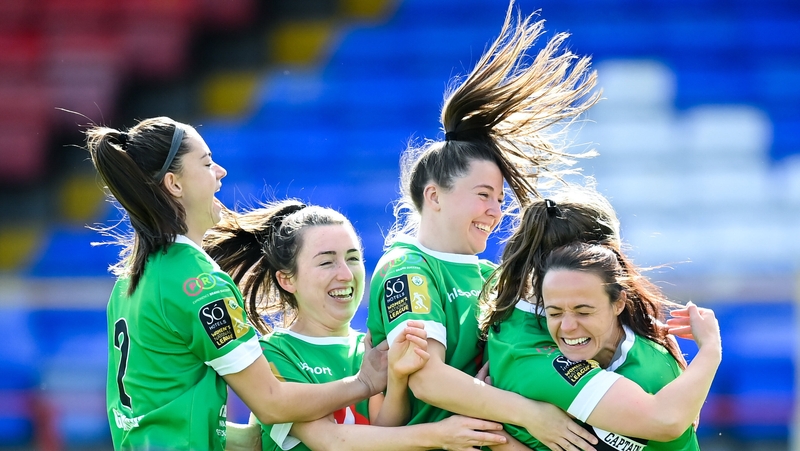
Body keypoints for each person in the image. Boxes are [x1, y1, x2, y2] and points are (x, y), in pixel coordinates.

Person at [365, 2, 604, 450]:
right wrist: (532, 415)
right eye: (482, 195)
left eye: (499, 199)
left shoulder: (484, 274)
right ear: (433, 196)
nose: (496, 211)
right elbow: (428, 380)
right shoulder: (408, 269)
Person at [87, 117, 389, 451]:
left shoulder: (130, 279)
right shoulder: (199, 283)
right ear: (175, 184)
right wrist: (364, 383)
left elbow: (157, 414)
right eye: (206, 163)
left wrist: (257, 438)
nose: (220, 171)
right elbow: (271, 402)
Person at [203, 200, 509, 451]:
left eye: (352, 259)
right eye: (326, 262)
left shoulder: (370, 347)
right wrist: (438, 434)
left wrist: (398, 379)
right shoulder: (275, 353)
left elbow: (384, 435)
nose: (346, 275)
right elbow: (331, 442)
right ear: (287, 279)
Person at [483, 193, 722, 450]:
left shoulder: (646, 354)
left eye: (584, 310)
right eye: (611, 254)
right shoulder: (531, 352)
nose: (619, 265)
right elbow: (665, 420)